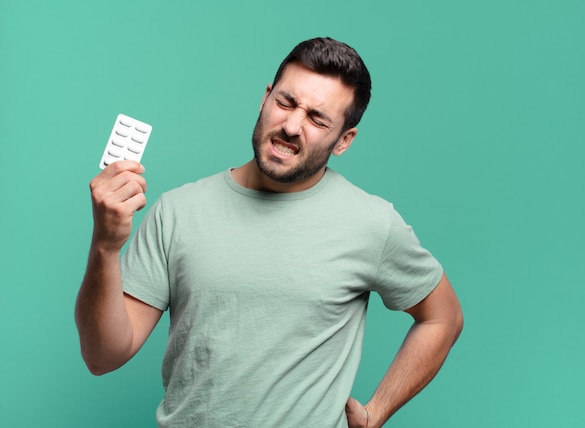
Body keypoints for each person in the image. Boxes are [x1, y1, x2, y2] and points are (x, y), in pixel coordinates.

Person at [75, 37, 463, 428]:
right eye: (285, 102)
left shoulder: (371, 224)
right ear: (265, 97)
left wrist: (376, 411)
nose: (292, 126)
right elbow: (103, 356)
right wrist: (105, 246)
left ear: (344, 140)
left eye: (317, 119)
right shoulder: (177, 212)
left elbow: (442, 318)